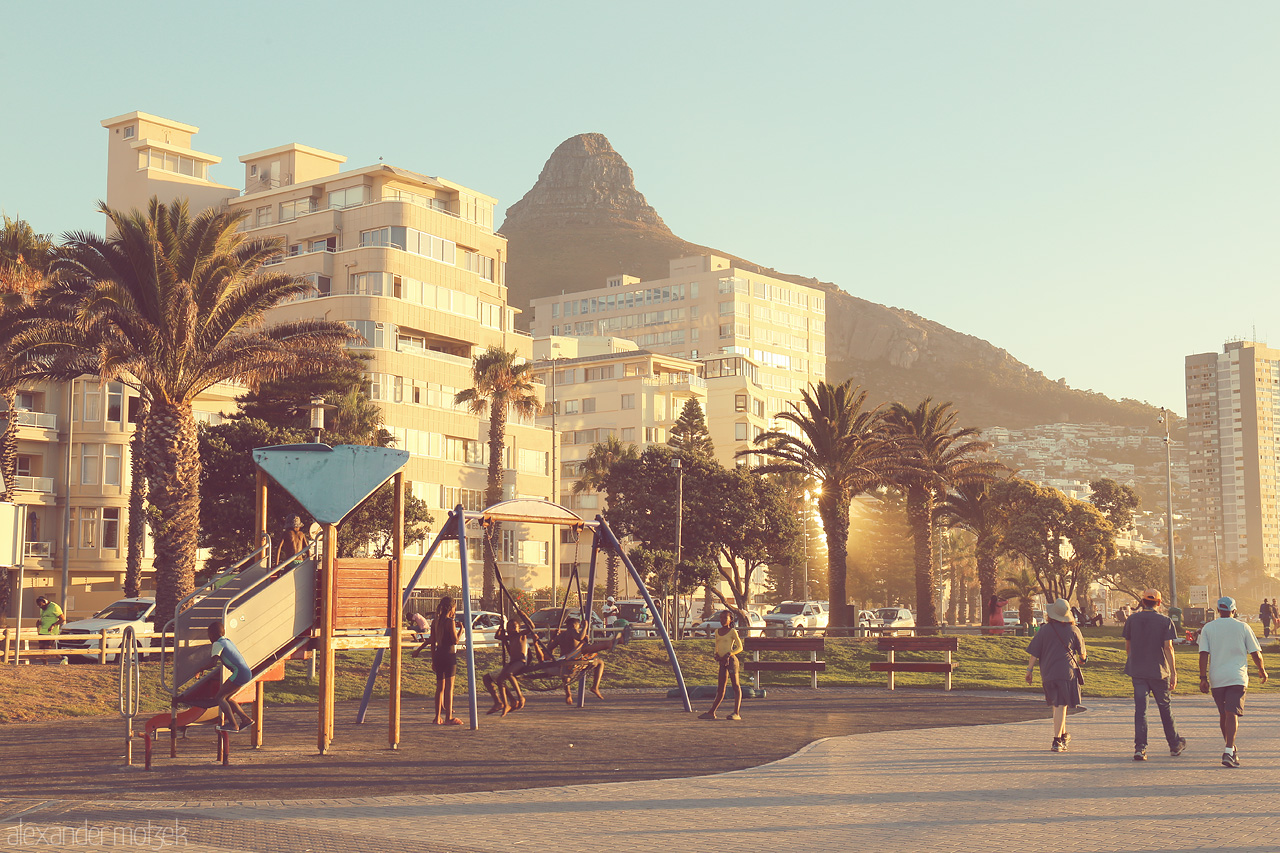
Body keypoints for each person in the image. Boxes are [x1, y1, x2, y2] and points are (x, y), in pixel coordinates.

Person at [1198, 595, 1267, 767]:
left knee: (1225, 714)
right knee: (1231, 713)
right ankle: (1229, 750)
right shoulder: (1243, 627)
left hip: (1217, 678)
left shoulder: (1208, 628)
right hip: (1237, 676)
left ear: (1219, 610)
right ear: (1234, 611)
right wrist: (1261, 670)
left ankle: (1230, 749)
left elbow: (1203, 654)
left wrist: (1203, 678)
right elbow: (1255, 653)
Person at [1123, 588, 1186, 761]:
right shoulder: (1164, 621)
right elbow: (1168, 647)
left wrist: (1133, 660)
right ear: (1158, 603)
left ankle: (1140, 748)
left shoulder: (1132, 620)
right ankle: (1174, 744)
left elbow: (1128, 645)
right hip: (1159, 672)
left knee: (1141, 710)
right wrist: (1173, 672)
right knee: (1165, 708)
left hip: (1138, 671)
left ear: (1143, 602)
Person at [1025, 598, 1087, 752]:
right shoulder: (1074, 631)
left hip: (1048, 673)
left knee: (1057, 704)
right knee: (1060, 705)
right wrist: (1083, 659)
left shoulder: (1045, 630)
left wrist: (1029, 670)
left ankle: (1064, 734)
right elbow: (1083, 655)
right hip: (1067, 672)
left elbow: (1034, 652)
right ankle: (1057, 740)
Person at [197, 620, 255, 733]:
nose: (209, 638)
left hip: (239, 673)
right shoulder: (227, 641)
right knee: (227, 698)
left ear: (213, 634)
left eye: (209, 635)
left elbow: (213, 663)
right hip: (246, 672)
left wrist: (201, 668)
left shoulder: (217, 644)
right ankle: (245, 719)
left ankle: (233, 725)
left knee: (219, 697)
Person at [483, 613, 544, 716]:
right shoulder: (509, 638)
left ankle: (520, 696)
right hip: (512, 662)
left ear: (519, 628)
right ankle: (505, 704)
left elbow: (531, 626)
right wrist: (501, 626)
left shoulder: (521, 635)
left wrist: (522, 614)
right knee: (499, 680)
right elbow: (497, 636)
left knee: (509, 674)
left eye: (514, 627)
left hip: (520, 662)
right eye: (509, 627)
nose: (512, 629)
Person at [552, 617, 618, 704]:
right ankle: (595, 687)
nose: (579, 628)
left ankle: (568, 693)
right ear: (573, 625)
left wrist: (554, 637)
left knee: (566, 676)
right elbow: (580, 637)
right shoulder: (572, 631)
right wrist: (585, 627)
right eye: (578, 626)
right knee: (600, 663)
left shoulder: (560, 636)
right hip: (575, 661)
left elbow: (550, 648)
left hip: (565, 662)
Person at [699, 610, 744, 721]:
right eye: (721, 618)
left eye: (725, 618)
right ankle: (712, 712)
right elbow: (717, 646)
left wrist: (730, 654)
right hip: (722, 662)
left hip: (731, 661)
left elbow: (740, 647)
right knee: (720, 688)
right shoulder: (718, 631)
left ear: (730, 620)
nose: (722, 620)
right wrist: (717, 655)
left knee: (736, 686)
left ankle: (736, 712)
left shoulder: (732, 631)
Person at [431, 597, 463, 725]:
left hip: (439, 655)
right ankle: (449, 717)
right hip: (449, 656)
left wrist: (433, 660)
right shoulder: (450, 622)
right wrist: (461, 630)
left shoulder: (436, 622)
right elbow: (455, 641)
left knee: (440, 688)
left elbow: (432, 643)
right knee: (449, 688)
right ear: (452, 608)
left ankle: (437, 717)